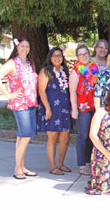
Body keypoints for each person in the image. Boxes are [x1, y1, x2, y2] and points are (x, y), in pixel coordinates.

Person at [0, 37, 38, 179]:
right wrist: (9, 95)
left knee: (23, 137)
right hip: (20, 104)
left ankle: (22, 166)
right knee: (25, 136)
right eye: (22, 46)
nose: (25, 49)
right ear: (17, 48)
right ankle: (17, 169)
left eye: (27, 46)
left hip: (31, 103)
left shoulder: (29, 64)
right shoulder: (12, 63)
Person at [37, 47, 72, 175]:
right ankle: (53, 166)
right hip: (51, 108)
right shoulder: (45, 71)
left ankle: (61, 164)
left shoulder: (65, 71)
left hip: (64, 108)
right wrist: (47, 108)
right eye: (54, 55)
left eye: (60, 55)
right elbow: (41, 91)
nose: (57, 58)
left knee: (65, 137)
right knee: (52, 137)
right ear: (50, 58)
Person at [69, 43, 99, 175]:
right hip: (82, 108)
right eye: (81, 54)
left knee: (92, 136)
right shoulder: (76, 72)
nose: (84, 56)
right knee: (83, 136)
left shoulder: (94, 68)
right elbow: (72, 92)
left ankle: (88, 162)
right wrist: (74, 109)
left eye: (86, 53)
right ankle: (82, 165)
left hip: (94, 106)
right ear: (77, 57)